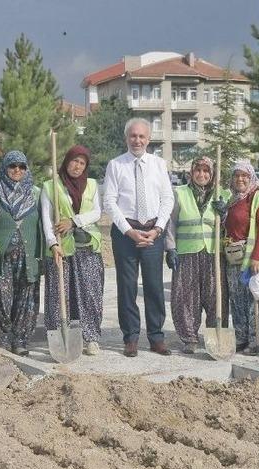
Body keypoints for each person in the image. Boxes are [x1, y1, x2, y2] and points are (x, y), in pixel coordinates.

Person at [103, 118, 175, 357]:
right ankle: (131, 337)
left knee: (154, 286)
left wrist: (158, 230)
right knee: (127, 287)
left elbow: (167, 199)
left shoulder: (158, 164)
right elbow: (110, 202)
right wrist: (129, 231)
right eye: (133, 136)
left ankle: (156, 337)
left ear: (149, 139)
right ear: (127, 138)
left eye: (142, 136)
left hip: (153, 233)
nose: (137, 140)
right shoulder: (115, 165)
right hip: (126, 234)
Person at [42, 145, 105, 355]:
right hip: (62, 249)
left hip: (87, 248)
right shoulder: (50, 187)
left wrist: (74, 221)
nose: (77, 166)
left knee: (89, 295)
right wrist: (52, 243)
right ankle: (60, 335)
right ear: (66, 161)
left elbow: (97, 212)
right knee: (61, 296)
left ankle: (91, 337)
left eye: (82, 163)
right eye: (74, 161)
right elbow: (46, 219)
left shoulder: (93, 185)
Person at [165, 157, 230, 354]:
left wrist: (224, 213)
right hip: (186, 254)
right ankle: (189, 337)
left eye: (206, 171)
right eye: (198, 170)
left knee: (215, 297)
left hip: (213, 255)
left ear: (212, 174)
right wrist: (170, 248)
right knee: (186, 297)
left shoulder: (222, 194)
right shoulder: (180, 193)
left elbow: (230, 226)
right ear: (191, 172)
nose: (202, 174)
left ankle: (215, 336)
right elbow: (171, 223)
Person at [0, 150, 42, 356]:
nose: (17, 170)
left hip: (28, 256)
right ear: (5, 168)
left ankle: (20, 339)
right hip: (2, 257)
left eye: (21, 166)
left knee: (26, 298)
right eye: (12, 166)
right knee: (1, 297)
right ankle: (2, 338)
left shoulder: (36, 193)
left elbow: (44, 223)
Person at [222, 161, 259, 355]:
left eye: (244, 175)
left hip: (252, 258)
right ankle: (241, 337)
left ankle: (256, 340)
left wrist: (257, 257)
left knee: (254, 301)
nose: (240, 179)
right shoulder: (231, 200)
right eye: (236, 175)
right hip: (233, 258)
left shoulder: (257, 198)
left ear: (250, 177)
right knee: (237, 300)